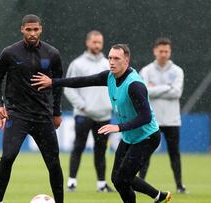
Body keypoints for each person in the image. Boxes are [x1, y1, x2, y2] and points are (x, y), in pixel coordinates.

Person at [31, 44, 172, 203]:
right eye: (110, 57)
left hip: (147, 137)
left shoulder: (135, 85)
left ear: (126, 60)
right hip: (129, 136)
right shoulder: (110, 77)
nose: (111, 62)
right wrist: (53, 82)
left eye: (116, 58)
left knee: (123, 179)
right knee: (117, 179)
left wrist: (118, 127)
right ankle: (159, 196)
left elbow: (145, 117)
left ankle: (158, 196)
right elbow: (83, 81)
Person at [0, 14, 64, 203]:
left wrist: (56, 113)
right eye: (29, 29)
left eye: (36, 29)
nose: (32, 33)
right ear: (22, 29)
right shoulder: (10, 53)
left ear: (41, 29)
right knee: (7, 158)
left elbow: (58, 84)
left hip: (43, 116)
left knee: (54, 163)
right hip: (18, 115)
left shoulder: (52, 54)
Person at [64, 30, 114, 192]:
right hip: (84, 115)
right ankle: (72, 182)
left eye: (99, 42)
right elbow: (69, 88)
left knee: (101, 151)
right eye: (94, 42)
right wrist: (83, 105)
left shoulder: (108, 64)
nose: (97, 45)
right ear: (87, 43)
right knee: (78, 147)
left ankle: (101, 184)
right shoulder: (77, 64)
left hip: (103, 115)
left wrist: (111, 105)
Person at [139, 37, 187, 194]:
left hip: (172, 120)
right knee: (145, 155)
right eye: (161, 51)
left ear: (170, 52)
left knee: (174, 154)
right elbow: (144, 92)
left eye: (167, 51)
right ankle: (140, 184)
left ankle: (179, 186)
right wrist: (167, 87)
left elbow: (177, 92)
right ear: (155, 51)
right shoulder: (146, 71)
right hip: (151, 121)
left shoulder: (177, 71)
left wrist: (155, 88)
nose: (164, 54)